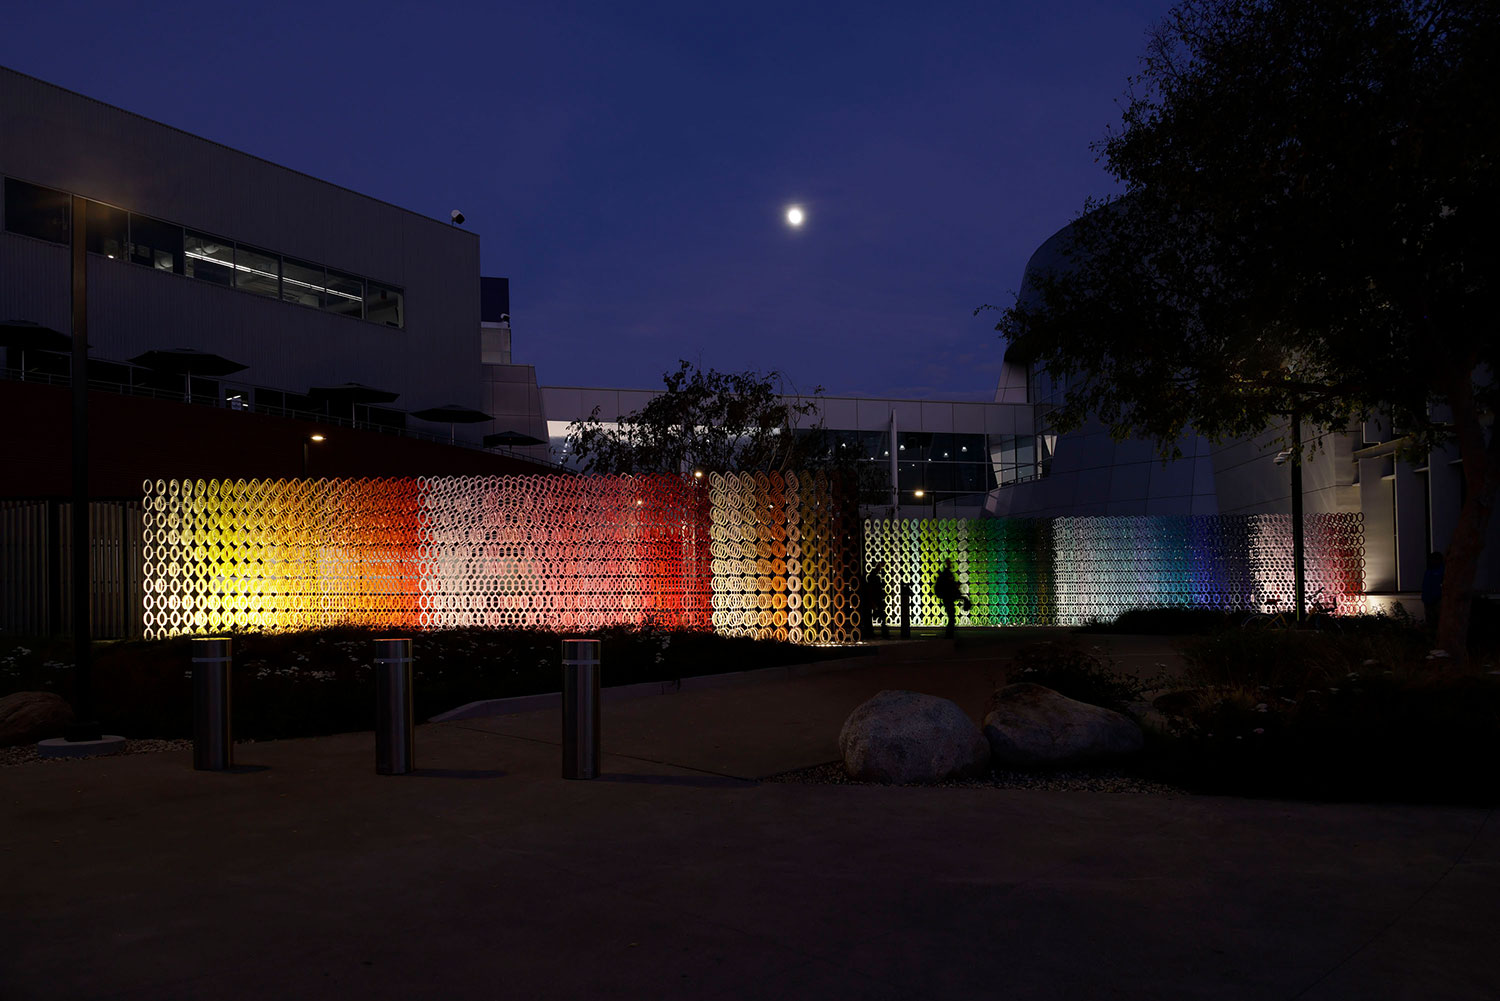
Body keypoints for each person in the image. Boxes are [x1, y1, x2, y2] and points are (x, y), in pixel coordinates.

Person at [934, 559, 967, 639]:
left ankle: (949, 634)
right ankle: (949, 635)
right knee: (951, 616)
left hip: (947, 598)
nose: (951, 564)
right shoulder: (947, 574)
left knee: (951, 616)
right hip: (948, 598)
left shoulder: (946, 574)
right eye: (949, 563)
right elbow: (949, 586)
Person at [861, 562, 890, 639]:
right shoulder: (873, 583)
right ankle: (882, 633)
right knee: (881, 617)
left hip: (876, 601)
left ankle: (876, 632)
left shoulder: (871, 583)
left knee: (880, 617)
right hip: (876, 601)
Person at [1422, 551, 1445, 635]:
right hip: (1428, 600)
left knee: (1437, 622)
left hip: (1437, 600)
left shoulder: (1441, 571)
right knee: (1430, 622)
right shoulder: (1429, 571)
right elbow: (1425, 585)